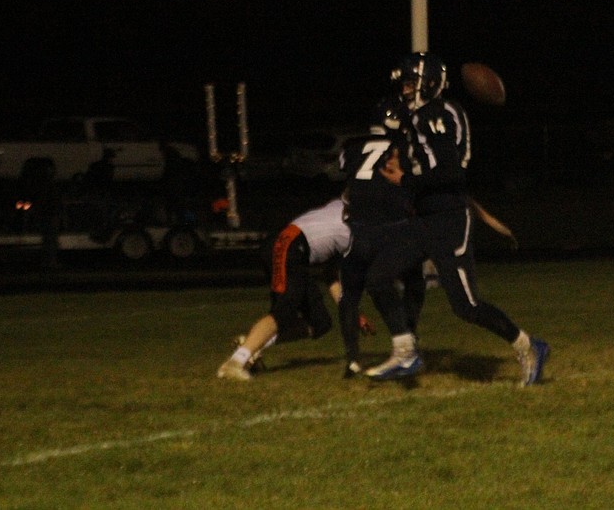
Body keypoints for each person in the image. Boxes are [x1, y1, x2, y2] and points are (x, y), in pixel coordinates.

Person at [360, 52, 550, 386]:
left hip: (447, 220)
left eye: (410, 82)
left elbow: (450, 173)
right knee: (378, 276)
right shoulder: (420, 117)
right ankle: (405, 351)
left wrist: (405, 180)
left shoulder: (440, 114)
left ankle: (529, 345)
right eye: (402, 84)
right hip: (424, 218)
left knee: (467, 307)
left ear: (429, 82)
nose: (405, 90)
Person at [216, 198, 371, 381]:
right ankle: (235, 363)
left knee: (320, 322)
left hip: (293, 252)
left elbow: (330, 276)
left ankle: (251, 346)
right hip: (287, 244)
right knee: (283, 311)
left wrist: (352, 312)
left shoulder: (337, 208)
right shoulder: (352, 233)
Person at [335, 109, 423, 378]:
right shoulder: (404, 147)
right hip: (393, 230)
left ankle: (352, 358)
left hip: (357, 232)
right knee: (414, 279)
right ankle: (407, 341)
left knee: (350, 295)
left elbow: (347, 175)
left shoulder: (351, 147)